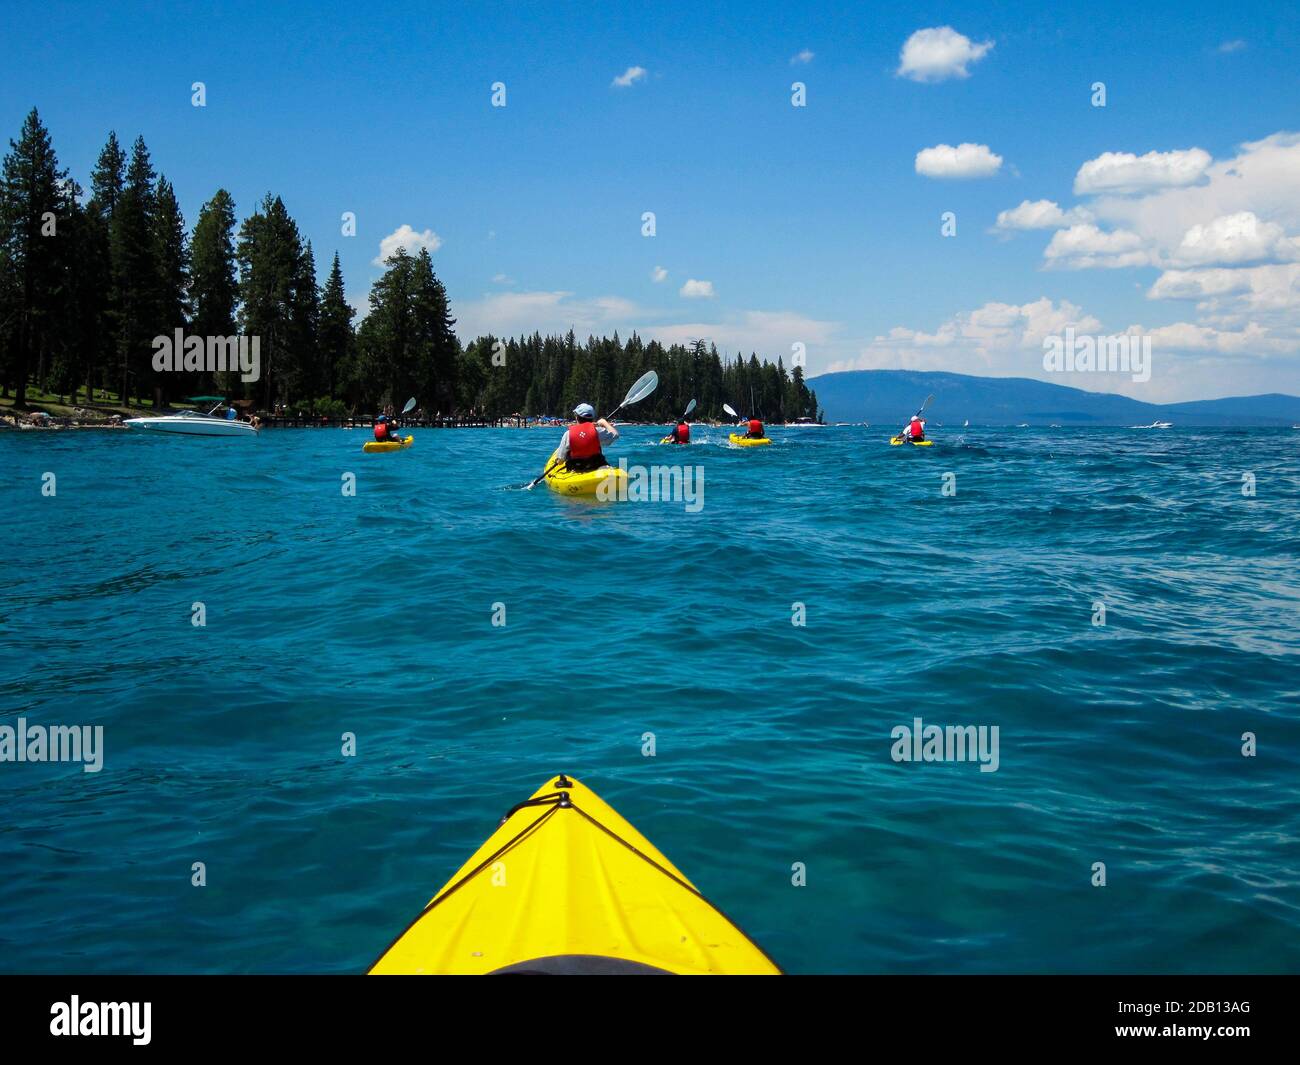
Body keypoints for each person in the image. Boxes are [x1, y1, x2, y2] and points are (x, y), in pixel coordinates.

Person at [555, 402, 618, 471]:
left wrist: (557, 461)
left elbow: (560, 461)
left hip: (576, 468)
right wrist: (604, 423)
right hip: (596, 466)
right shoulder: (598, 431)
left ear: (577, 417)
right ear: (592, 418)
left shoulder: (568, 434)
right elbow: (615, 435)